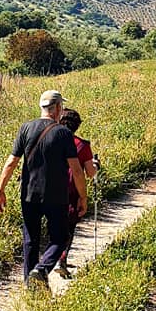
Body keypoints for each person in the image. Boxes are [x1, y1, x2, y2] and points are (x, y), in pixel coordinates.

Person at [0, 89, 87, 287]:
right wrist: (83, 197)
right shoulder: (63, 133)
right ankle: (42, 269)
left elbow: (11, 163)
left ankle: (31, 285)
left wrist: (0, 190)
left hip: (29, 195)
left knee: (30, 240)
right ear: (59, 108)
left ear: (43, 108)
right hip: (56, 196)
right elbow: (77, 171)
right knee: (60, 238)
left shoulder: (25, 128)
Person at [56, 108, 99, 278]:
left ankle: (47, 260)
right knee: (68, 226)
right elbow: (90, 172)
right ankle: (62, 259)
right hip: (72, 190)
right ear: (77, 126)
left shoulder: (51, 139)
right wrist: (96, 165)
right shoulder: (82, 145)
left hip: (48, 188)